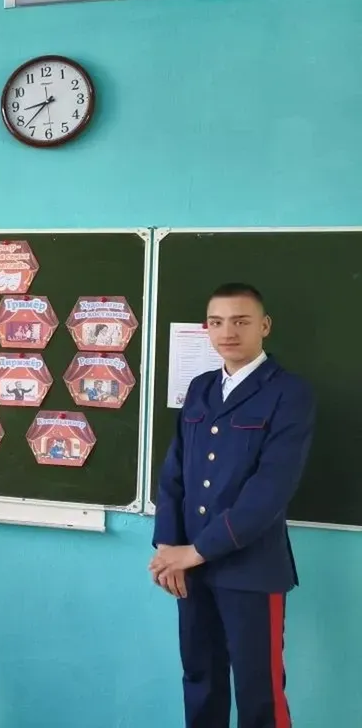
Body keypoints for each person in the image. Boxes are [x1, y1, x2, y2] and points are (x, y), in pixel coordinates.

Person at [149, 282, 315, 728]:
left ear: (264, 325)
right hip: (189, 568)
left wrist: (196, 551)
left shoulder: (289, 393)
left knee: (259, 691)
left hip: (251, 569)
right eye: (217, 322)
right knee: (200, 678)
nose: (228, 332)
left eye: (241, 321)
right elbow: (175, 473)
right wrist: (168, 548)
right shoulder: (201, 388)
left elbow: (270, 490)